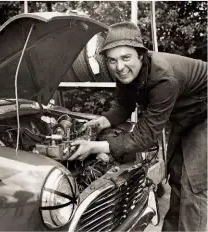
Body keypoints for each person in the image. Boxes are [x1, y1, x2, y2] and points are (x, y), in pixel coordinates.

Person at [68, 21, 207, 231]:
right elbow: (124, 106)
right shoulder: (126, 74)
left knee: (194, 185)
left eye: (126, 58)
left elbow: (145, 136)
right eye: (112, 60)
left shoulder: (164, 78)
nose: (120, 67)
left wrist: (94, 147)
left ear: (141, 55)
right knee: (177, 176)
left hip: (204, 113)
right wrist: (99, 123)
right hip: (185, 114)